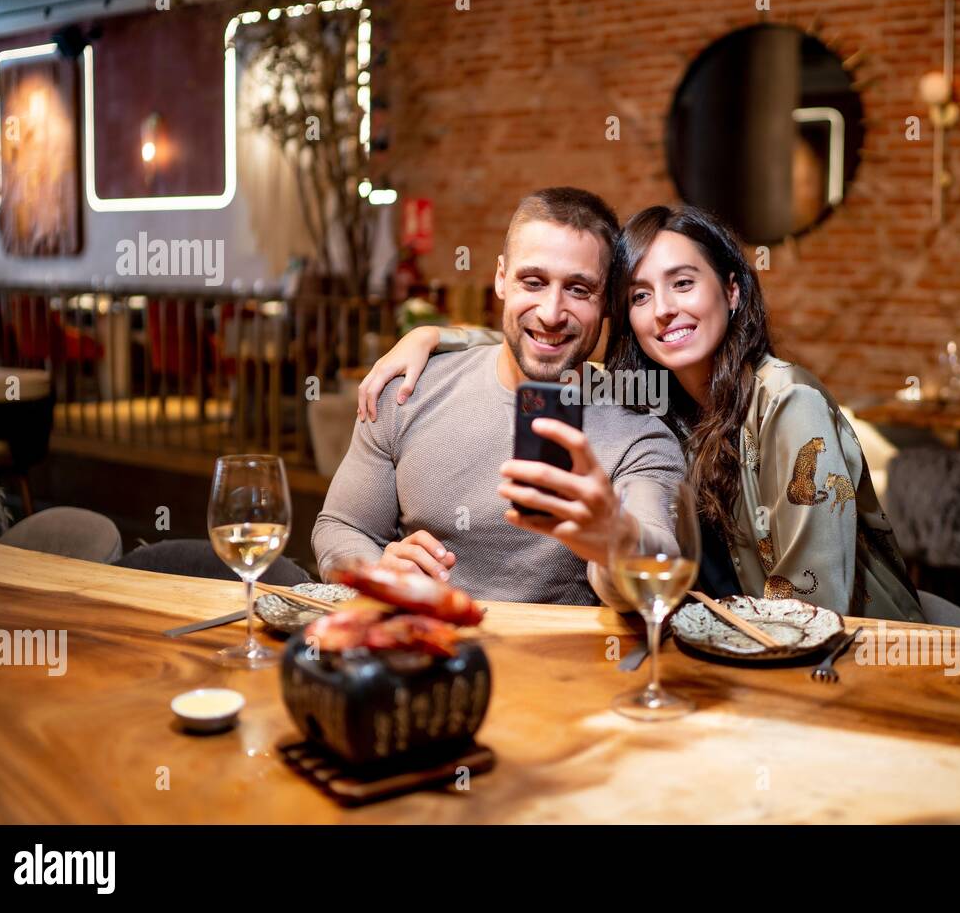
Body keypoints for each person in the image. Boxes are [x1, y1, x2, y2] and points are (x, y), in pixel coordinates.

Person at [357, 204, 924, 621]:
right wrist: (436, 336)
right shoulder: (658, 395)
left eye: (682, 283)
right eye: (642, 295)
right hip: (733, 646)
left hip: (850, 657)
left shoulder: (786, 403)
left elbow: (813, 608)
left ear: (731, 291)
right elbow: (544, 341)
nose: (665, 311)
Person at [313, 188, 686, 607]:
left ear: (607, 304)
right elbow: (340, 526)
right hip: (424, 651)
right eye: (533, 282)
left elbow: (656, 573)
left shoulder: (640, 435)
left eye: (579, 289)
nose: (550, 312)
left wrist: (613, 537)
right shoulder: (408, 389)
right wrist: (378, 569)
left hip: (564, 669)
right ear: (500, 278)